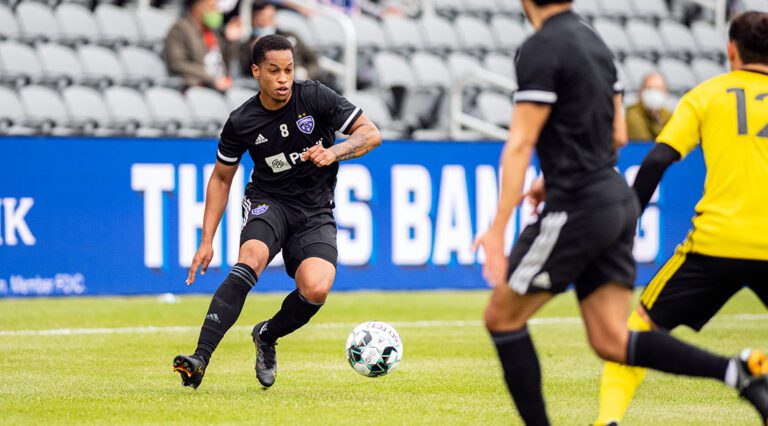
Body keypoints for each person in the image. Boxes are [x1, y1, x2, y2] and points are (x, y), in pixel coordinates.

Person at [472, 1, 768, 425]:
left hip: (577, 204)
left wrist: (498, 228)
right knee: (612, 339)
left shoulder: (539, 47)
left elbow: (519, 143)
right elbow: (617, 136)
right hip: (614, 199)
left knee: (500, 316)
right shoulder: (598, 44)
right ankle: (734, 371)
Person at [172, 34, 382, 389]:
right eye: (274, 71)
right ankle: (200, 358)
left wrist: (335, 152)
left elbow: (371, 134)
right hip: (269, 201)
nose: (283, 78)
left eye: (288, 70)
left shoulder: (315, 96)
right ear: (256, 72)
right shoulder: (242, 121)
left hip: (315, 210)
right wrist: (206, 240)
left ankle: (266, 335)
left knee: (316, 288)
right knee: (250, 257)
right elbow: (222, 178)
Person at [595, 11, 768, 426]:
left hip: (715, 243)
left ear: (731, 51)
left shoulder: (706, 94)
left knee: (637, 328)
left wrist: (629, 220)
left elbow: (657, 158)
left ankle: (607, 421)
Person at [239, 1, 332, 86]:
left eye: (269, 18)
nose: (265, 22)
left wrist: (306, 73)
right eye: (261, 19)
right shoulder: (247, 46)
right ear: (253, 20)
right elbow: (246, 72)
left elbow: (313, 60)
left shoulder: (290, 36)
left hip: (301, 85)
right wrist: (255, 50)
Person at [165, 0, 240, 91]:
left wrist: (230, 41)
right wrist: (211, 79)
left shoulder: (213, 32)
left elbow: (225, 63)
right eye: (212, 7)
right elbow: (177, 64)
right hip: (198, 87)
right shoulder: (179, 29)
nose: (217, 11)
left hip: (219, 87)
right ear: (199, 7)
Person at [626, 72, 672, 141]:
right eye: (649, 88)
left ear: (665, 92)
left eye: (658, 88)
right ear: (641, 92)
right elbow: (643, 141)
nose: (654, 92)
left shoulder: (669, 116)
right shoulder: (632, 115)